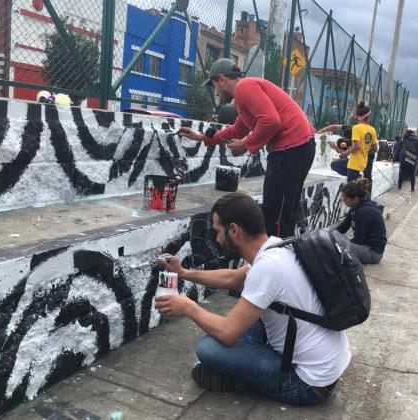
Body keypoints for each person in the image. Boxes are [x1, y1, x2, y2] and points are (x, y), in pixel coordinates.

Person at [155, 193, 350, 405]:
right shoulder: (277, 246)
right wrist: (183, 272)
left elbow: (228, 334)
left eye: (218, 231)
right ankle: (241, 365)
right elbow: (233, 278)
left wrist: (187, 306)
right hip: (328, 366)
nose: (217, 239)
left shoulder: (267, 267)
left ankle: (239, 376)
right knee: (238, 323)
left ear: (234, 230)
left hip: (308, 384)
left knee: (209, 348)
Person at [179, 59, 316, 237]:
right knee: (281, 210)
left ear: (222, 79)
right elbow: (238, 129)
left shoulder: (245, 87)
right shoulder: (245, 95)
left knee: (276, 213)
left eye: (214, 86)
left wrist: (245, 145)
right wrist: (201, 137)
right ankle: (282, 256)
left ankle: (276, 259)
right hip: (298, 146)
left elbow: (271, 121)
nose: (216, 92)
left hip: (291, 147)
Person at [336, 179, 387, 264]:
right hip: (363, 245)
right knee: (334, 240)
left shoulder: (364, 212)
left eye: (345, 199)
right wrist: (328, 234)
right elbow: (343, 228)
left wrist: (337, 243)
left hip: (373, 252)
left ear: (355, 199)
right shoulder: (356, 207)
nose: (343, 201)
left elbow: (358, 240)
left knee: (337, 248)